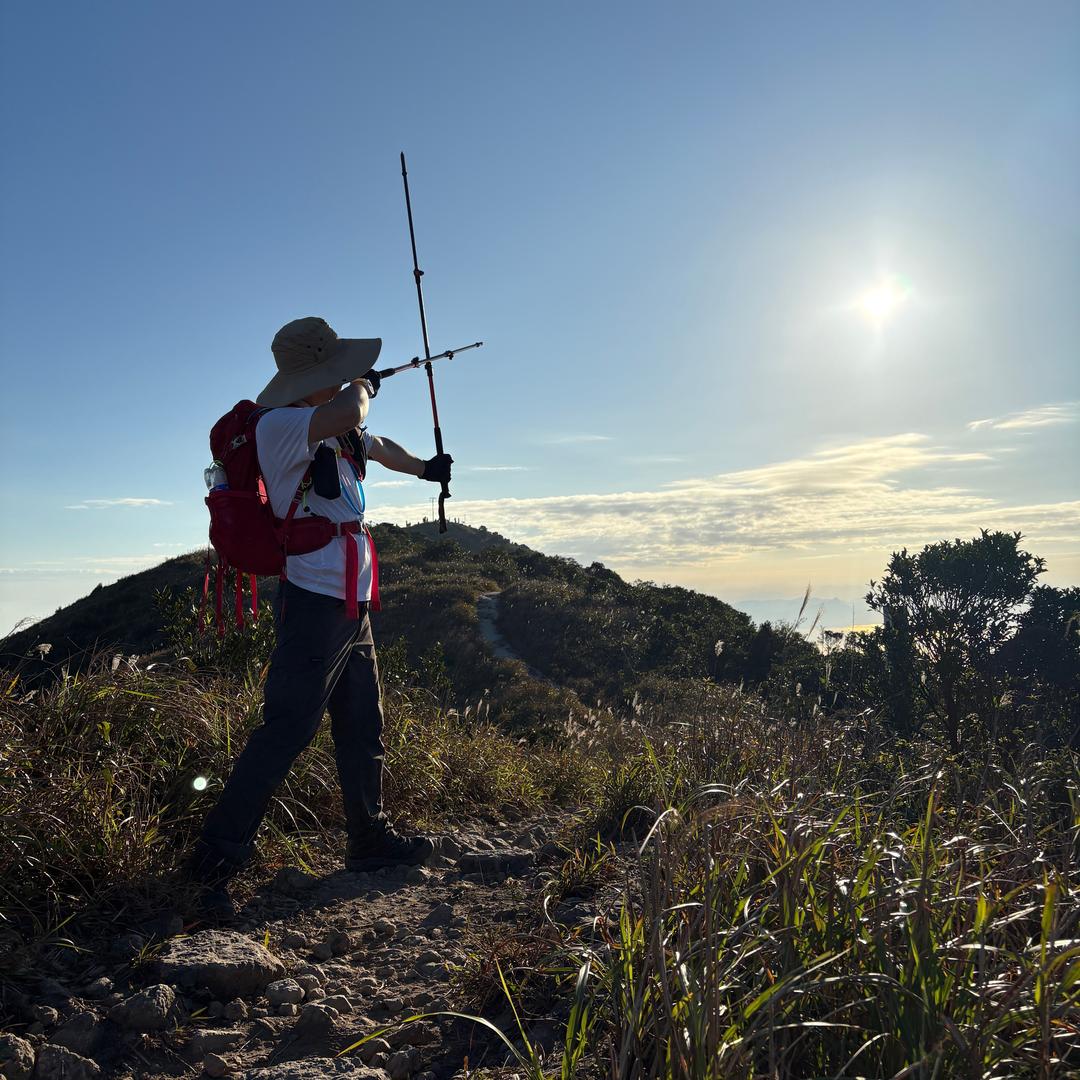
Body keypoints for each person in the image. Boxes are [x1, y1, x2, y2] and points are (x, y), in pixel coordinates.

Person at [186, 316, 452, 920]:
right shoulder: (282, 425)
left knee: (363, 721)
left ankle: (369, 840)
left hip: (350, 599)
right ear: (320, 374)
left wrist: (425, 469)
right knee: (287, 727)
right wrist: (361, 384)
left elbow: (375, 445)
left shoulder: (325, 425)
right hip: (312, 599)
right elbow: (353, 414)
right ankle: (213, 860)